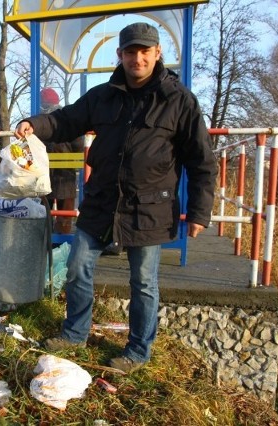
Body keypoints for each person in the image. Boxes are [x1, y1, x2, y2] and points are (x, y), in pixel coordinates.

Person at [15, 22, 217, 373]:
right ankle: (75, 333)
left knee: (143, 282)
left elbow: (201, 161)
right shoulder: (103, 95)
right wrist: (36, 124)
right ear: (120, 55)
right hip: (101, 203)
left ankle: (138, 352)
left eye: (144, 51)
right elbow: (65, 120)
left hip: (149, 209)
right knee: (77, 267)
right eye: (130, 51)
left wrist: (199, 212)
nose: (137, 58)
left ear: (157, 54)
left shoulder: (179, 100)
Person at [39, 87, 84, 234]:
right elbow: (79, 145)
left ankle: (44, 242)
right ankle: (61, 244)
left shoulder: (39, 122)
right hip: (66, 176)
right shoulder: (67, 119)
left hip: (44, 177)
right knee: (65, 216)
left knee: (43, 214)